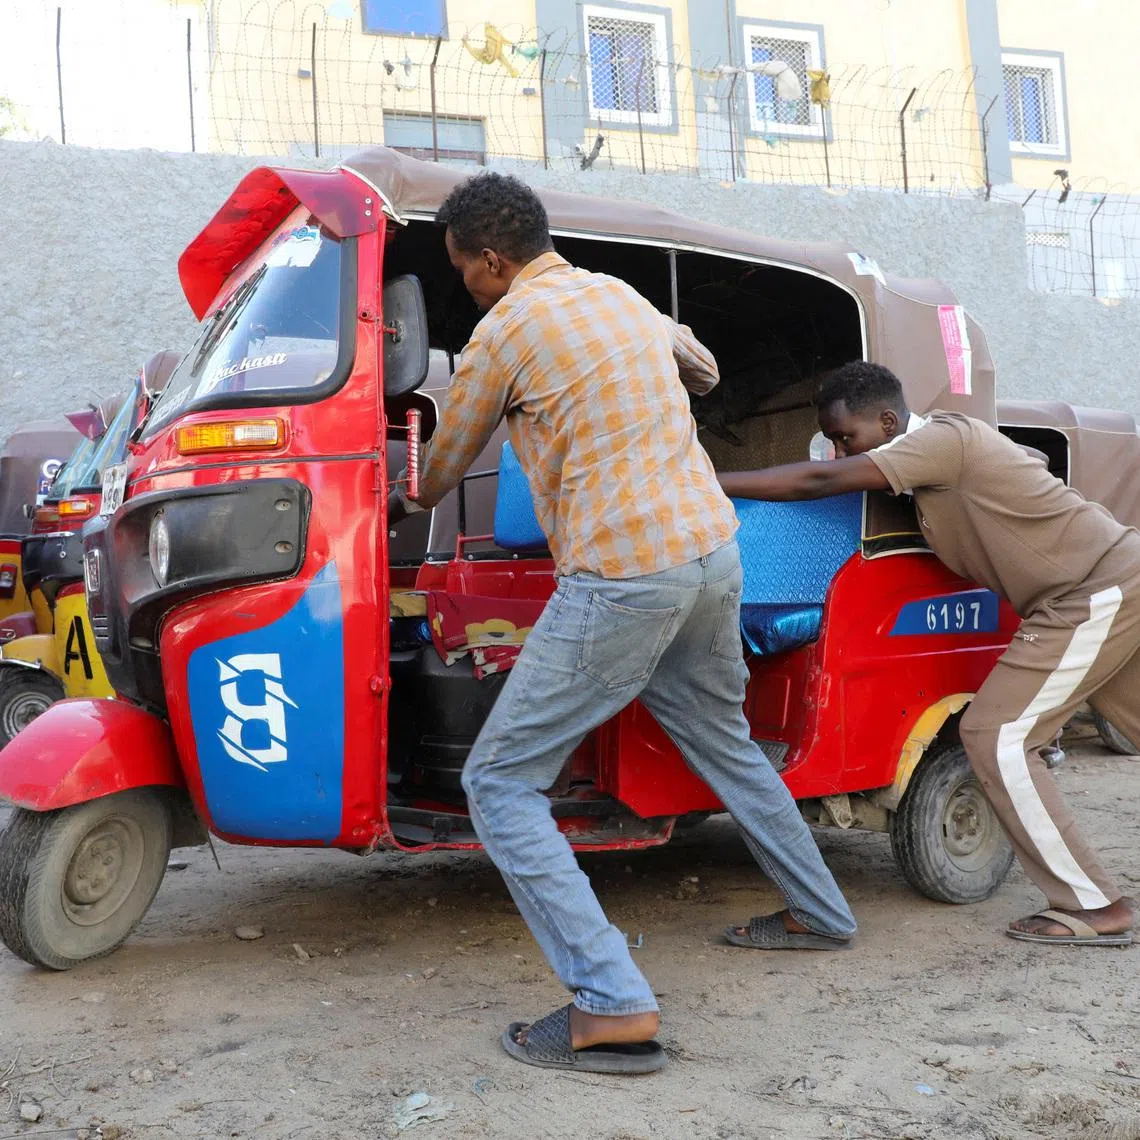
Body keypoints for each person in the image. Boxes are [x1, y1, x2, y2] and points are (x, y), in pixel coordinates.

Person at [390, 172, 856, 1075]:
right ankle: (821, 912)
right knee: (725, 739)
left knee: (499, 782)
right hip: (711, 552)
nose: (466, 289)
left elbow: (442, 465)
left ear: (492, 260)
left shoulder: (505, 331)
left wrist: (394, 484)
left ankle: (611, 1005)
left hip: (624, 571)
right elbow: (707, 369)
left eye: (465, 272)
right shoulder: (621, 297)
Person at [718, 360, 1136, 948]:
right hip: (1098, 587)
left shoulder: (942, 441)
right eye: (832, 441)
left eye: (846, 438)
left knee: (998, 736)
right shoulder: (938, 455)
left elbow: (813, 483)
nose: (840, 454)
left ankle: (1093, 906)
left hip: (1092, 589)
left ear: (889, 421)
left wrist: (706, 480)